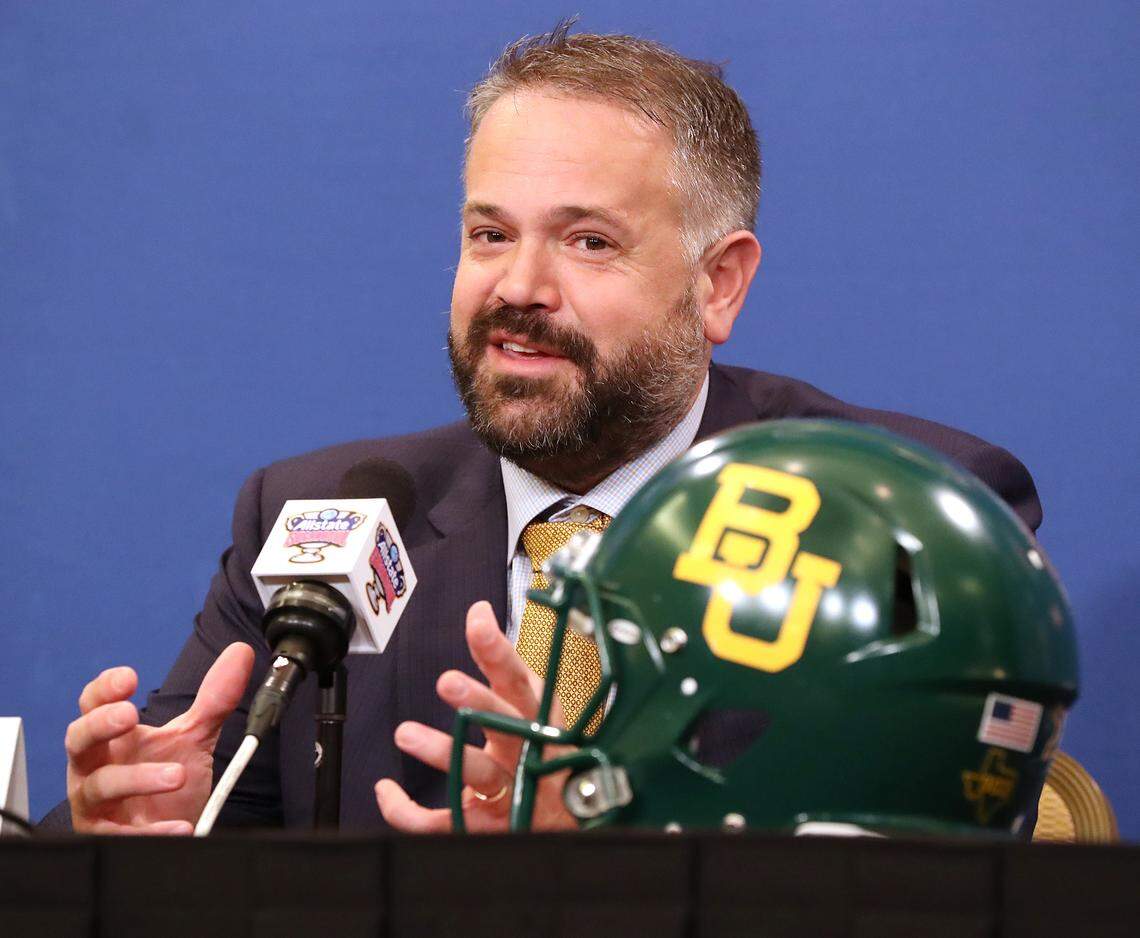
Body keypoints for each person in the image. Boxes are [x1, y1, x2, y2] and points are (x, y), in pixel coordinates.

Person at [50, 24, 1042, 835]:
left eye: (588, 240)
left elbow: (926, 878)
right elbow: (185, 820)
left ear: (718, 281)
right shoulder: (324, 516)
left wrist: (605, 849)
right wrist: (145, 827)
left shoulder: (911, 520)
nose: (518, 287)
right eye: (490, 233)